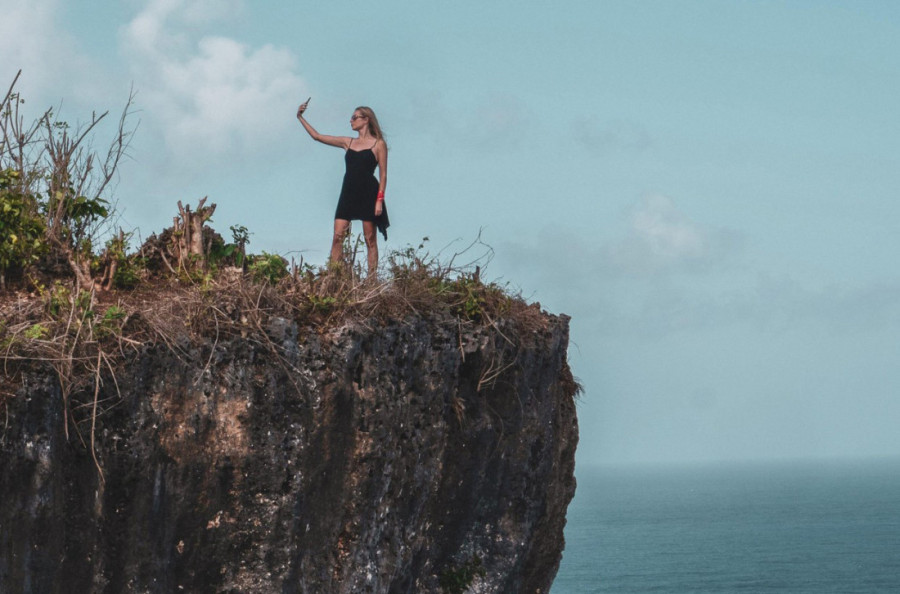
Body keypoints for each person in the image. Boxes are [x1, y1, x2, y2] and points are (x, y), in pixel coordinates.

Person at [296, 100, 389, 274]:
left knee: (370, 239)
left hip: (369, 193)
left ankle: (371, 281)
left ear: (366, 119)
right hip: (348, 192)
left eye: (354, 117)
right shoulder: (348, 142)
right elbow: (317, 136)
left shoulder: (379, 144)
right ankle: (333, 275)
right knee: (338, 236)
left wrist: (379, 200)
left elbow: (383, 175)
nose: (351, 120)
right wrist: (300, 117)